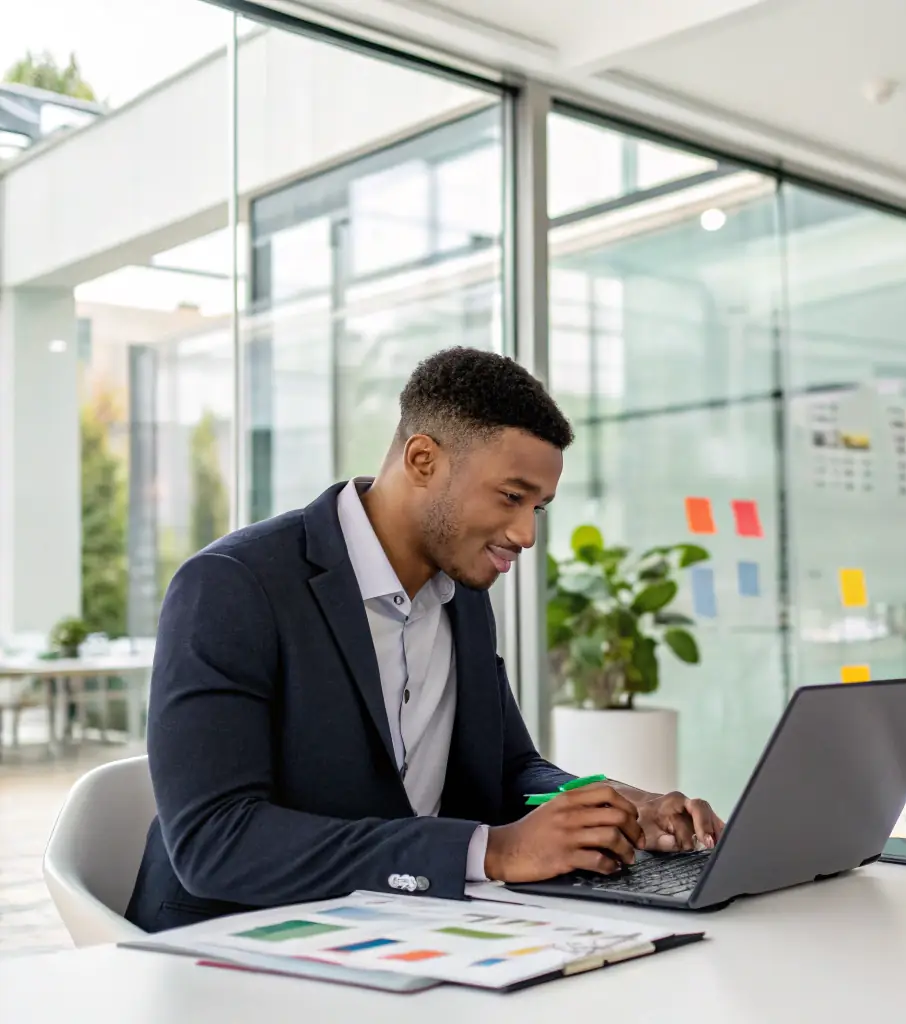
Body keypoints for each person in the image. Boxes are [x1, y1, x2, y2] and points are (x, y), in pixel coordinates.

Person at [126, 347, 723, 931]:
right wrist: (487, 852)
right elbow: (215, 842)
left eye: (538, 507)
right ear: (421, 460)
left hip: (403, 934)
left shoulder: (462, 593)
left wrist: (610, 806)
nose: (526, 533)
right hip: (233, 948)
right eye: (512, 497)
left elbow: (510, 768)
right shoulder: (231, 586)